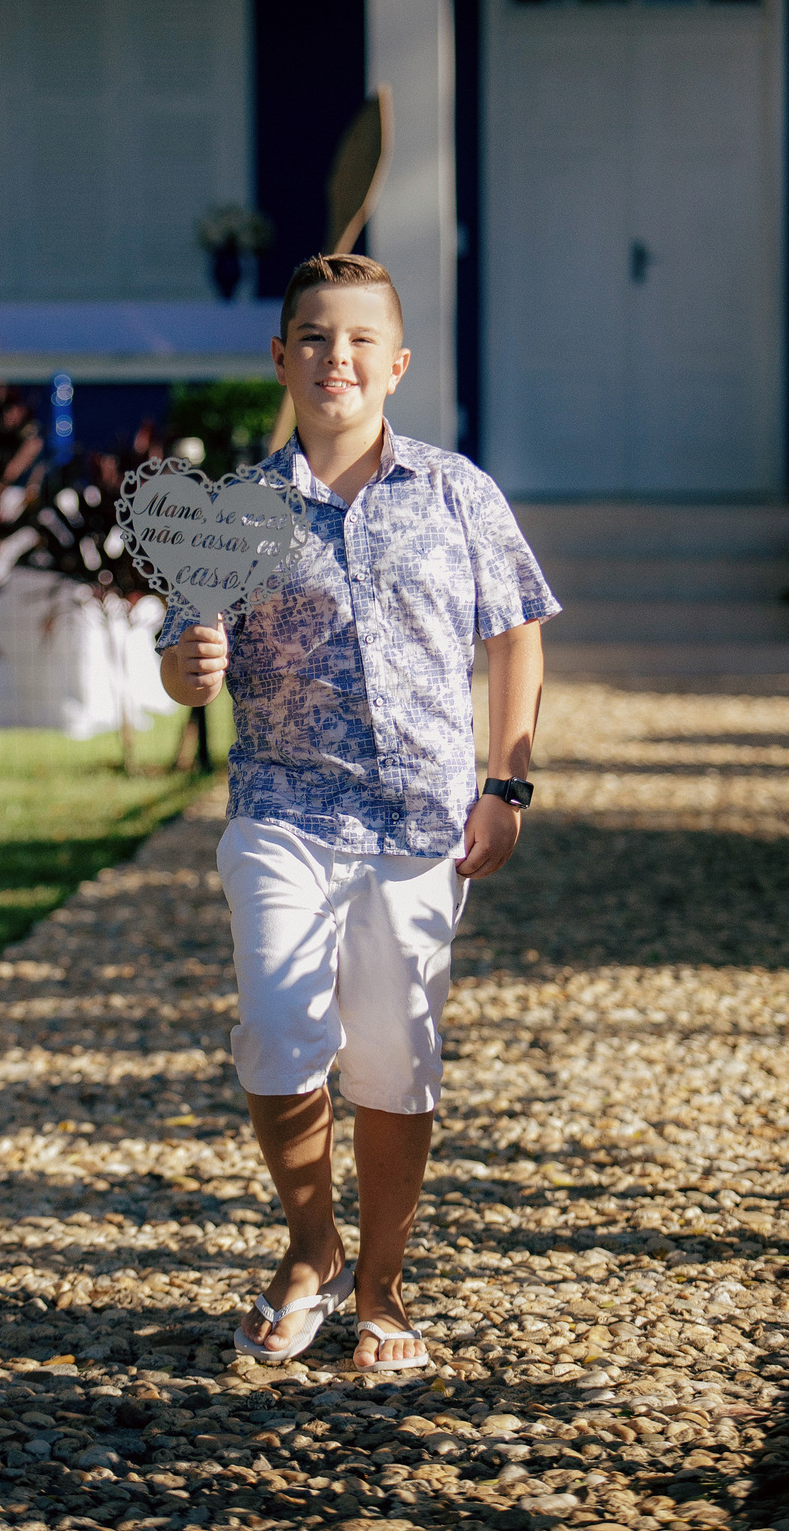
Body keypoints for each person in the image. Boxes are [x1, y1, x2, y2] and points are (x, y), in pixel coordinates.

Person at [158, 253, 559, 1372]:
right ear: (281, 357)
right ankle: (310, 1248)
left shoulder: (459, 491)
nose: (339, 357)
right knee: (282, 1032)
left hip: (421, 824)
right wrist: (188, 672)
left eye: (360, 340)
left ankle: (378, 1284)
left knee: (395, 1056)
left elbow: (516, 633)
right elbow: (183, 669)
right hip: (281, 808)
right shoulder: (233, 512)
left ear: (397, 364)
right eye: (316, 337)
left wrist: (508, 783)